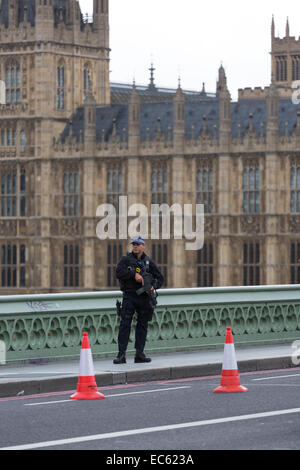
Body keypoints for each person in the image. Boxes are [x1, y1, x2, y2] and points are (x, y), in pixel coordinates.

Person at [113, 236, 164, 364]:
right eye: (134, 244)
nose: (135, 246)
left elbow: (160, 278)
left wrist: (153, 286)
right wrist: (133, 275)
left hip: (144, 298)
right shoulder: (125, 260)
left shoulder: (148, 262)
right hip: (129, 296)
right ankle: (121, 354)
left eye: (138, 244)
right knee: (125, 325)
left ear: (143, 246)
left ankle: (139, 354)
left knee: (142, 326)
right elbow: (118, 273)